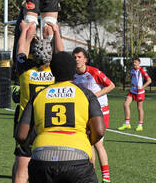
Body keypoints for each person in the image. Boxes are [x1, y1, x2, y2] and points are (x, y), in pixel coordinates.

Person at [15, 51, 106, 183]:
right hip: (77, 157)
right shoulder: (86, 94)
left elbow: (21, 135)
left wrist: (38, 141)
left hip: (41, 158)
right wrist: (86, 141)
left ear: (51, 72)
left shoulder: (39, 95)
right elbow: (99, 131)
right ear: (74, 70)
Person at [13, 19, 64, 183]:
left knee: (22, 165)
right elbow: (61, 54)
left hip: (26, 122)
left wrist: (24, 31)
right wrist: (56, 32)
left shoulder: (26, 70)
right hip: (48, 121)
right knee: (49, 165)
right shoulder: (55, 71)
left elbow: (20, 50)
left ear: (33, 54)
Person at [73, 47, 115, 183]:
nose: (77, 60)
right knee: (88, 142)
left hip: (101, 111)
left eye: (79, 57)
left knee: (97, 143)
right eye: (75, 57)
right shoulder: (73, 74)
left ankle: (106, 176)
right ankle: (92, 173)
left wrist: (93, 96)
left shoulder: (94, 72)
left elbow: (111, 85)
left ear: (85, 59)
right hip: (85, 111)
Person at [118, 57, 151, 131]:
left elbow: (149, 80)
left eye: (136, 62)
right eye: (133, 62)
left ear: (139, 63)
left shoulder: (142, 71)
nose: (134, 63)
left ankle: (140, 125)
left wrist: (142, 87)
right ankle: (127, 123)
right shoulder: (132, 70)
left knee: (139, 108)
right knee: (126, 104)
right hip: (132, 91)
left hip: (139, 92)